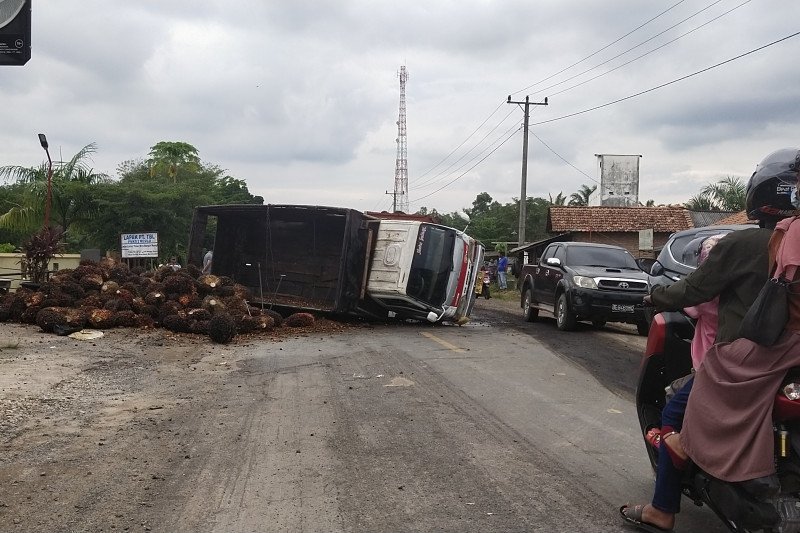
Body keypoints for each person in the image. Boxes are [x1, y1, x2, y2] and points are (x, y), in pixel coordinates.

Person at [620, 148, 800, 532]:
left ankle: (662, 510)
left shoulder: (745, 244)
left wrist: (655, 296)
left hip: (749, 358)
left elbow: (695, 290)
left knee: (672, 419)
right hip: (792, 360)